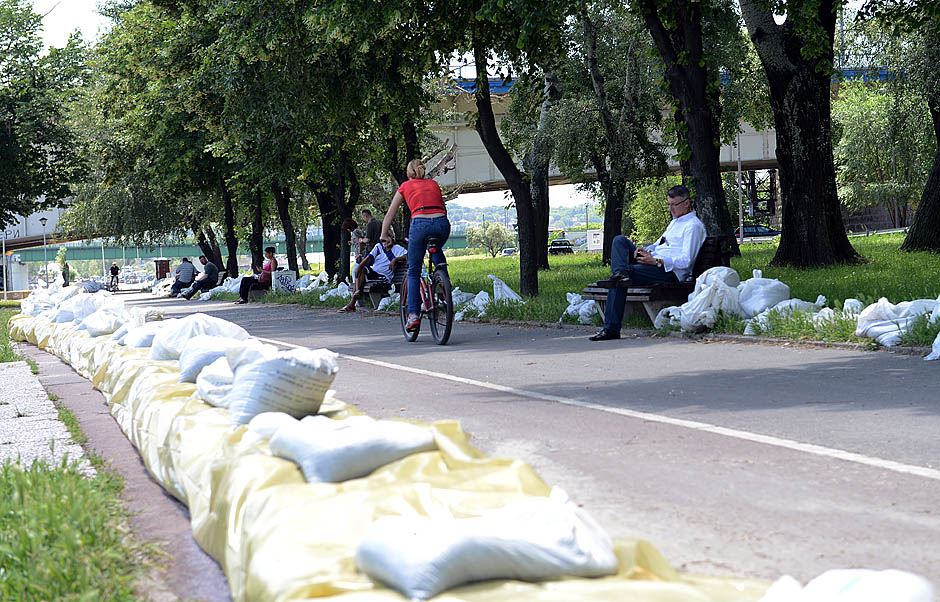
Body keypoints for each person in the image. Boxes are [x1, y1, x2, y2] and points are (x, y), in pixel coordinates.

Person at [589, 185, 706, 341]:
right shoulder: (675, 223)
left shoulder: (693, 226)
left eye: (674, 205)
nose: (671, 209)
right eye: (669, 204)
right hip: (652, 262)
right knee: (619, 241)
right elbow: (659, 245)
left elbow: (686, 261)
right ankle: (620, 274)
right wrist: (646, 251)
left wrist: (656, 260)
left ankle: (611, 328)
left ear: (686, 203)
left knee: (620, 279)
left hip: (669, 272)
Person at [380, 159, 450, 332]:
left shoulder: (405, 186)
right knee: (436, 249)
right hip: (442, 224)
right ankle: (444, 287)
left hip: (420, 224)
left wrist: (383, 234)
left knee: (413, 271)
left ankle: (412, 315)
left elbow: (390, 214)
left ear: (408, 172)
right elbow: (442, 208)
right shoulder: (433, 183)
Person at [339, 236, 407, 313]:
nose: (385, 241)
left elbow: (407, 255)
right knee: (361, 269)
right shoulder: (378, 247)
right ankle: (356, 294)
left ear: (392, 238)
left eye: (388, 237)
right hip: (373, 273)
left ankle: (352, 302)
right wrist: (359, 265)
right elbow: (364, 262)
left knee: (361, 272)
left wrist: (395, 259)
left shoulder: (397, 249)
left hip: (383, 277)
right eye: (383, 239)